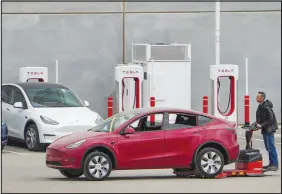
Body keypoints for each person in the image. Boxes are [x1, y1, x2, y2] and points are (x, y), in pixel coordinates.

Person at [256, 91, 279, 171]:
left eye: (258, 96)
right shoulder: (260, 106)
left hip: (269, 130)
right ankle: (271, 164)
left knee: (271, 147)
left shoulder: (266, 107)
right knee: (268, 147)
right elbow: (260, 118)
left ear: (262, 98)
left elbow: (271, 119)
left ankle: (275, 165)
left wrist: (261, 125)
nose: (256, 98)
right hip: (265, 129)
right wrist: (255, 124)